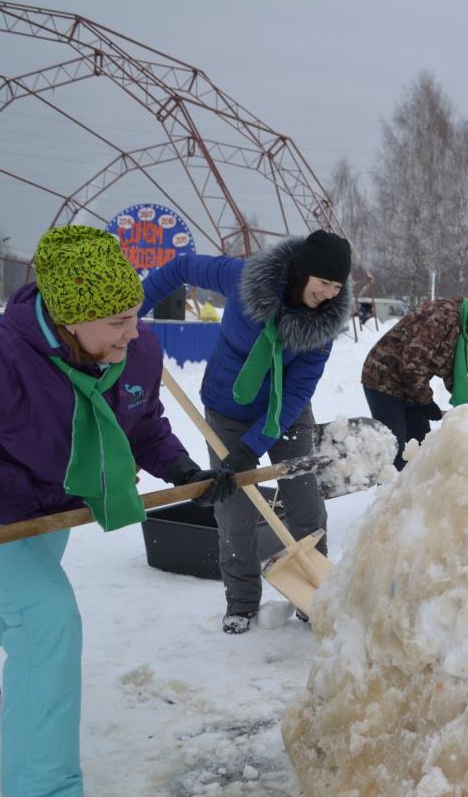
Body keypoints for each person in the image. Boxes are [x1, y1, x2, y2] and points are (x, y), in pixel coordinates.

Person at [0, 225, 236, 797]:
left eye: (134, 314)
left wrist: (182, 471)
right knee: (46, 620)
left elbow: (139, 422)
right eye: (116, 322)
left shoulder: (135, 350)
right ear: (69, 319)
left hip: (50, 500)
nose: (132, 333)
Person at [140, 228, 351, 634]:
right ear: (301, 272)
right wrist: (136, 309)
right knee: (234, 511)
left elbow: (294, 395)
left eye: (336, 286)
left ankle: (313, 592)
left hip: (284, 415)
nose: (328, 293)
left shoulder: (321, 328)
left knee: (306, 505)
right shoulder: (242, 279)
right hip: (226, 409)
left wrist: (254, 447)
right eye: (323, 282)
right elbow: (182, 267)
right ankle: (241, 602)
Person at [361, 290, 468, 469]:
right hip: (383, 379)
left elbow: (452, 373)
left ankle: (416, 494)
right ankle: (390, 494)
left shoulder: (462, 329)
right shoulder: (442, 317)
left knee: (421, 449)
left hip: (410, 385)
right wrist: (426, 402)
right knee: (395, 452)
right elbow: (412, 362)